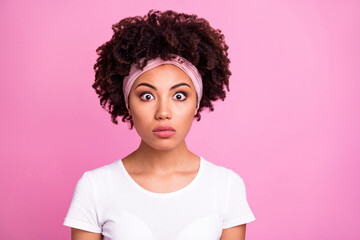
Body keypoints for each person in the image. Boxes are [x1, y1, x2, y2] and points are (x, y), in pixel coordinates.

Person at [63, 9, 255, 240]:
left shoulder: (226, 187)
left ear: (197, 103)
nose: (163, 113)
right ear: (128, 104)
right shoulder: (95, 187)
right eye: (146, 96)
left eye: (179, 96)